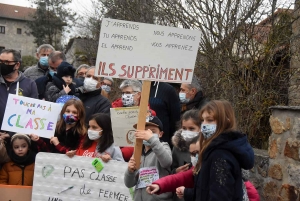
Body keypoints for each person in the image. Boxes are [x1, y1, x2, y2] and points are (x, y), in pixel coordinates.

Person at [146, 100, 255, 201]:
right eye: (203, 120)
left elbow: (219, 196)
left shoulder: (220, 155)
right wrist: (161, 184)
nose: (205, 125)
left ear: (226, 121)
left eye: (210, 120)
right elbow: (195, 178)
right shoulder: (213, 149)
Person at [124, 116, 173, 201]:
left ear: (160, 134)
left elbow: (167, 162)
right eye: (144, 131)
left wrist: (152, 140)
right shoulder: (137, 152)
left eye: (152, 132)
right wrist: (130, 171)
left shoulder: (163, 146)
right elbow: (129, 184)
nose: (147, 135)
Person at [112, 79, 156, 162]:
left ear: (138, 94)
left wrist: (121, 153)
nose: (124, 96)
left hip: (135, 157)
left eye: (128, 93)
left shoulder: (148, 114)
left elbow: (144, 139)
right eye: (123, 93)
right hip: (114, 152)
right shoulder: (114, 109)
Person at [0, 49, 38, 139]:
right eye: (0, 61)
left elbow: (32, 113)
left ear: (17, 65)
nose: (2, 65)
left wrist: (10, 134)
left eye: (6, 62)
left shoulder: (30, 84)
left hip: (19, 139)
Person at [171, 110, 201, 175]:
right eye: (184, 128)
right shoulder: (178, 145)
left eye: (191, 129)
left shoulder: (205, 146)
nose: (187, 131)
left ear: (201, 128)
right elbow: (172, 168)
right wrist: (176, 171)